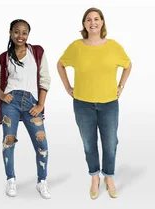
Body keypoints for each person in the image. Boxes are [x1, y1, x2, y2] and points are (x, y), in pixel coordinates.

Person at [57, 7, 132, 200]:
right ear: (84, 24)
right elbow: (61, 64)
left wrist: (121, 86)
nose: (93, 23)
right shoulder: (76, 47)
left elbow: (128, 64)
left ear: (102, 22)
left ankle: (109, 177)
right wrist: (68, 88)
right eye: (88, 19)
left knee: (110, 144)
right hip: (83, 104)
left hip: (109, 104)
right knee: (89, 145)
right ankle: (94, 178)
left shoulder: (114, 46)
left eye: (96, 19)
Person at [0, 19, 51, 199]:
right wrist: (2, 96)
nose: (20, 36)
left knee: (42, 143)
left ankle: (42, 181)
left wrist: (40, 104)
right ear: (10, 33)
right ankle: (11, 180)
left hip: (32, 102)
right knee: (8, 142)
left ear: (28, 35)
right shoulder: (4, 57)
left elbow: (45, 79)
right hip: (11, 102)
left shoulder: (37, 52)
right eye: (16, 32)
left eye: (24, 32)